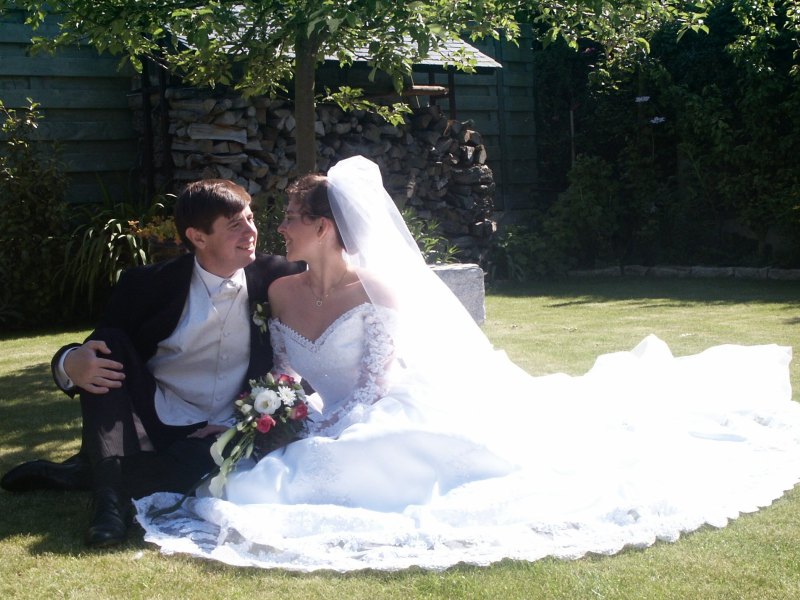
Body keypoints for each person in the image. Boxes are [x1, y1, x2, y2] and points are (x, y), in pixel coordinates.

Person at [134, 156, 800, 572]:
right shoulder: (276, 288)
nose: (278, 229)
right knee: (270, 479)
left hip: (369, 411)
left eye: (290, 218)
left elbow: (370, 385)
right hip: (304, 416)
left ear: (326, 228)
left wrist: (323, 426)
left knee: (366, 462)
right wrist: (274, 419)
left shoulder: (380, 293)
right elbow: (276, 372)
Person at [0, 179, 303, 548]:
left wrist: (233, 423)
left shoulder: (278, 277)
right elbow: (98, 346)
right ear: (197, 236)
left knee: (195, 472)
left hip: (226, 425)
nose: (251, 231)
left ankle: (90, 470)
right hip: (155, 415)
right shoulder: (146, 285)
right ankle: (110, 504)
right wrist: (69, 363)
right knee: (108, 346)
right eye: (235, 225)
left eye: (251, 218)